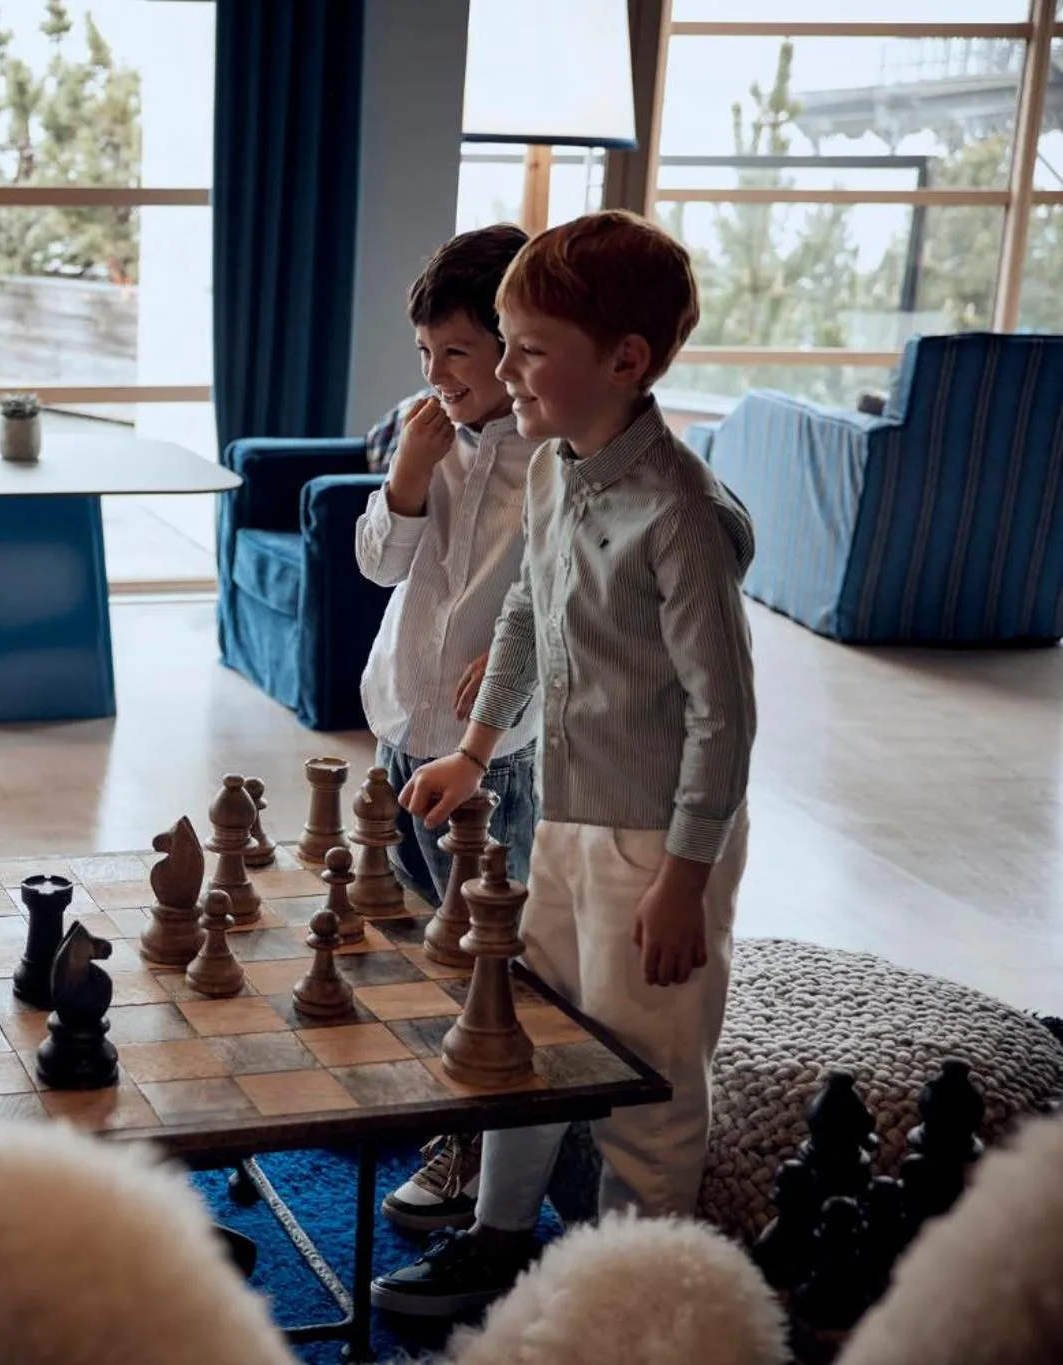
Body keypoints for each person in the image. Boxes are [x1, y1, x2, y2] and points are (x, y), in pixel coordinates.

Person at [371, 210, 758, 1319]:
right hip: (564, 821)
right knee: (522, 1034)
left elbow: (721, 719)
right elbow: (531, 618)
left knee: (647, 1081)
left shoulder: (678, 513)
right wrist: (476, 754)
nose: (498, 369)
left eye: (524, 348)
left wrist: (684, 878)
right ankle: (498, 1244)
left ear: (624, 362)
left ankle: (627, 1302)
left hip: (658, 845)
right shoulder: (550, 472)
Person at [355, 224, 540, 1233]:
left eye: (456, 355)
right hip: (400, 723)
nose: (435, 374)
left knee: (484, 952)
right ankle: (442, 1110)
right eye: (424, 354)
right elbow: (379, 566)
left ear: (513, 347)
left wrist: (521, 666)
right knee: (420, 937)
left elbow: (578, 606)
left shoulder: (555, 457)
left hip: (491, 755)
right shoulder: (423, 433)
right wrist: (406, 481)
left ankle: (471, 1149)